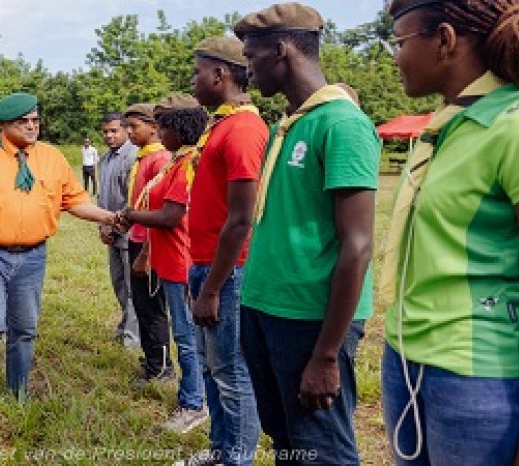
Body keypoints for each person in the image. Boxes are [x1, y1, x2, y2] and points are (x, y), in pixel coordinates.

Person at [379, 1, 519, 465]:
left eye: (398, 42)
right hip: (405, 359)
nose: (392, 58)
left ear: (444, 39)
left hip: (478, 381)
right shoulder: (447, 125)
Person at [235, 4, 381, 464]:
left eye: (251, 57)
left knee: (320, 449)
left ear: (281, 51)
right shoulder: (289, 123)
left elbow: (357, 246)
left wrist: (326, 354)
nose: (248, 71)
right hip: (263, 307)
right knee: (287, 442)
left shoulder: (341, 123)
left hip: (309, 320)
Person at [0, 92, 118, 413]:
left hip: (33, 256)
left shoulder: (51, 157)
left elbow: (74, 200)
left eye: (35, 120)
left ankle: (18, 388)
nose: (32, 126)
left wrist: (108, 216)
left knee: (25, 327)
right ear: (4, 124)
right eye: (23, 121)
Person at [179, 36, 267, 466]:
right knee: (213, 369)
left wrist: (212, 287)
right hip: (205, 267)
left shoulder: (245, 129)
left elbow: (241, 219)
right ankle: (219, 451)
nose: (193, 80)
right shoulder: (221, 124)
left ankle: (238, 458)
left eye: (197, 72)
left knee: (232, 373)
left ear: (221, 74)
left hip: (227, 271)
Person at [120, 94, 208, 434]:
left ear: (178, 128)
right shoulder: (176, 160)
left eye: (164, 126)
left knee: (187, 338)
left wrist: (130, 215)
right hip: (170, 263)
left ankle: (193, 404)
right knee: (185, 335)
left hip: (182, 263)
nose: (159, 133)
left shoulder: (187, 164)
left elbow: (171, 216)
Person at [124, 103, 174, 386]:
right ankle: (153, 358)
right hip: (136, 240)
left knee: (152, 307)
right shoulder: (142, 158)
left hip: (149, 245)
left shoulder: (160, 160)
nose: (129, 132)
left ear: (154, 128)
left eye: (134, 127)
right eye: (127, 126)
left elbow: (161, 214)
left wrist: (147, 253)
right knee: (142, 305)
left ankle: (162, 369)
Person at [96, 112, 140, 349]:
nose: (109, 136)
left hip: (129, 232)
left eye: (114, 131)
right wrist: (103, 224)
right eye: (105, 131)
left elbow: (133, 199)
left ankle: (132, 339)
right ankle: (126, 326)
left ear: (125, 130)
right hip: (111, 231)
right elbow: (101, 197)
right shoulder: (104, 159)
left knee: (133, 288)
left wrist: (117, 224)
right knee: (119, 283)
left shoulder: (133, 157)